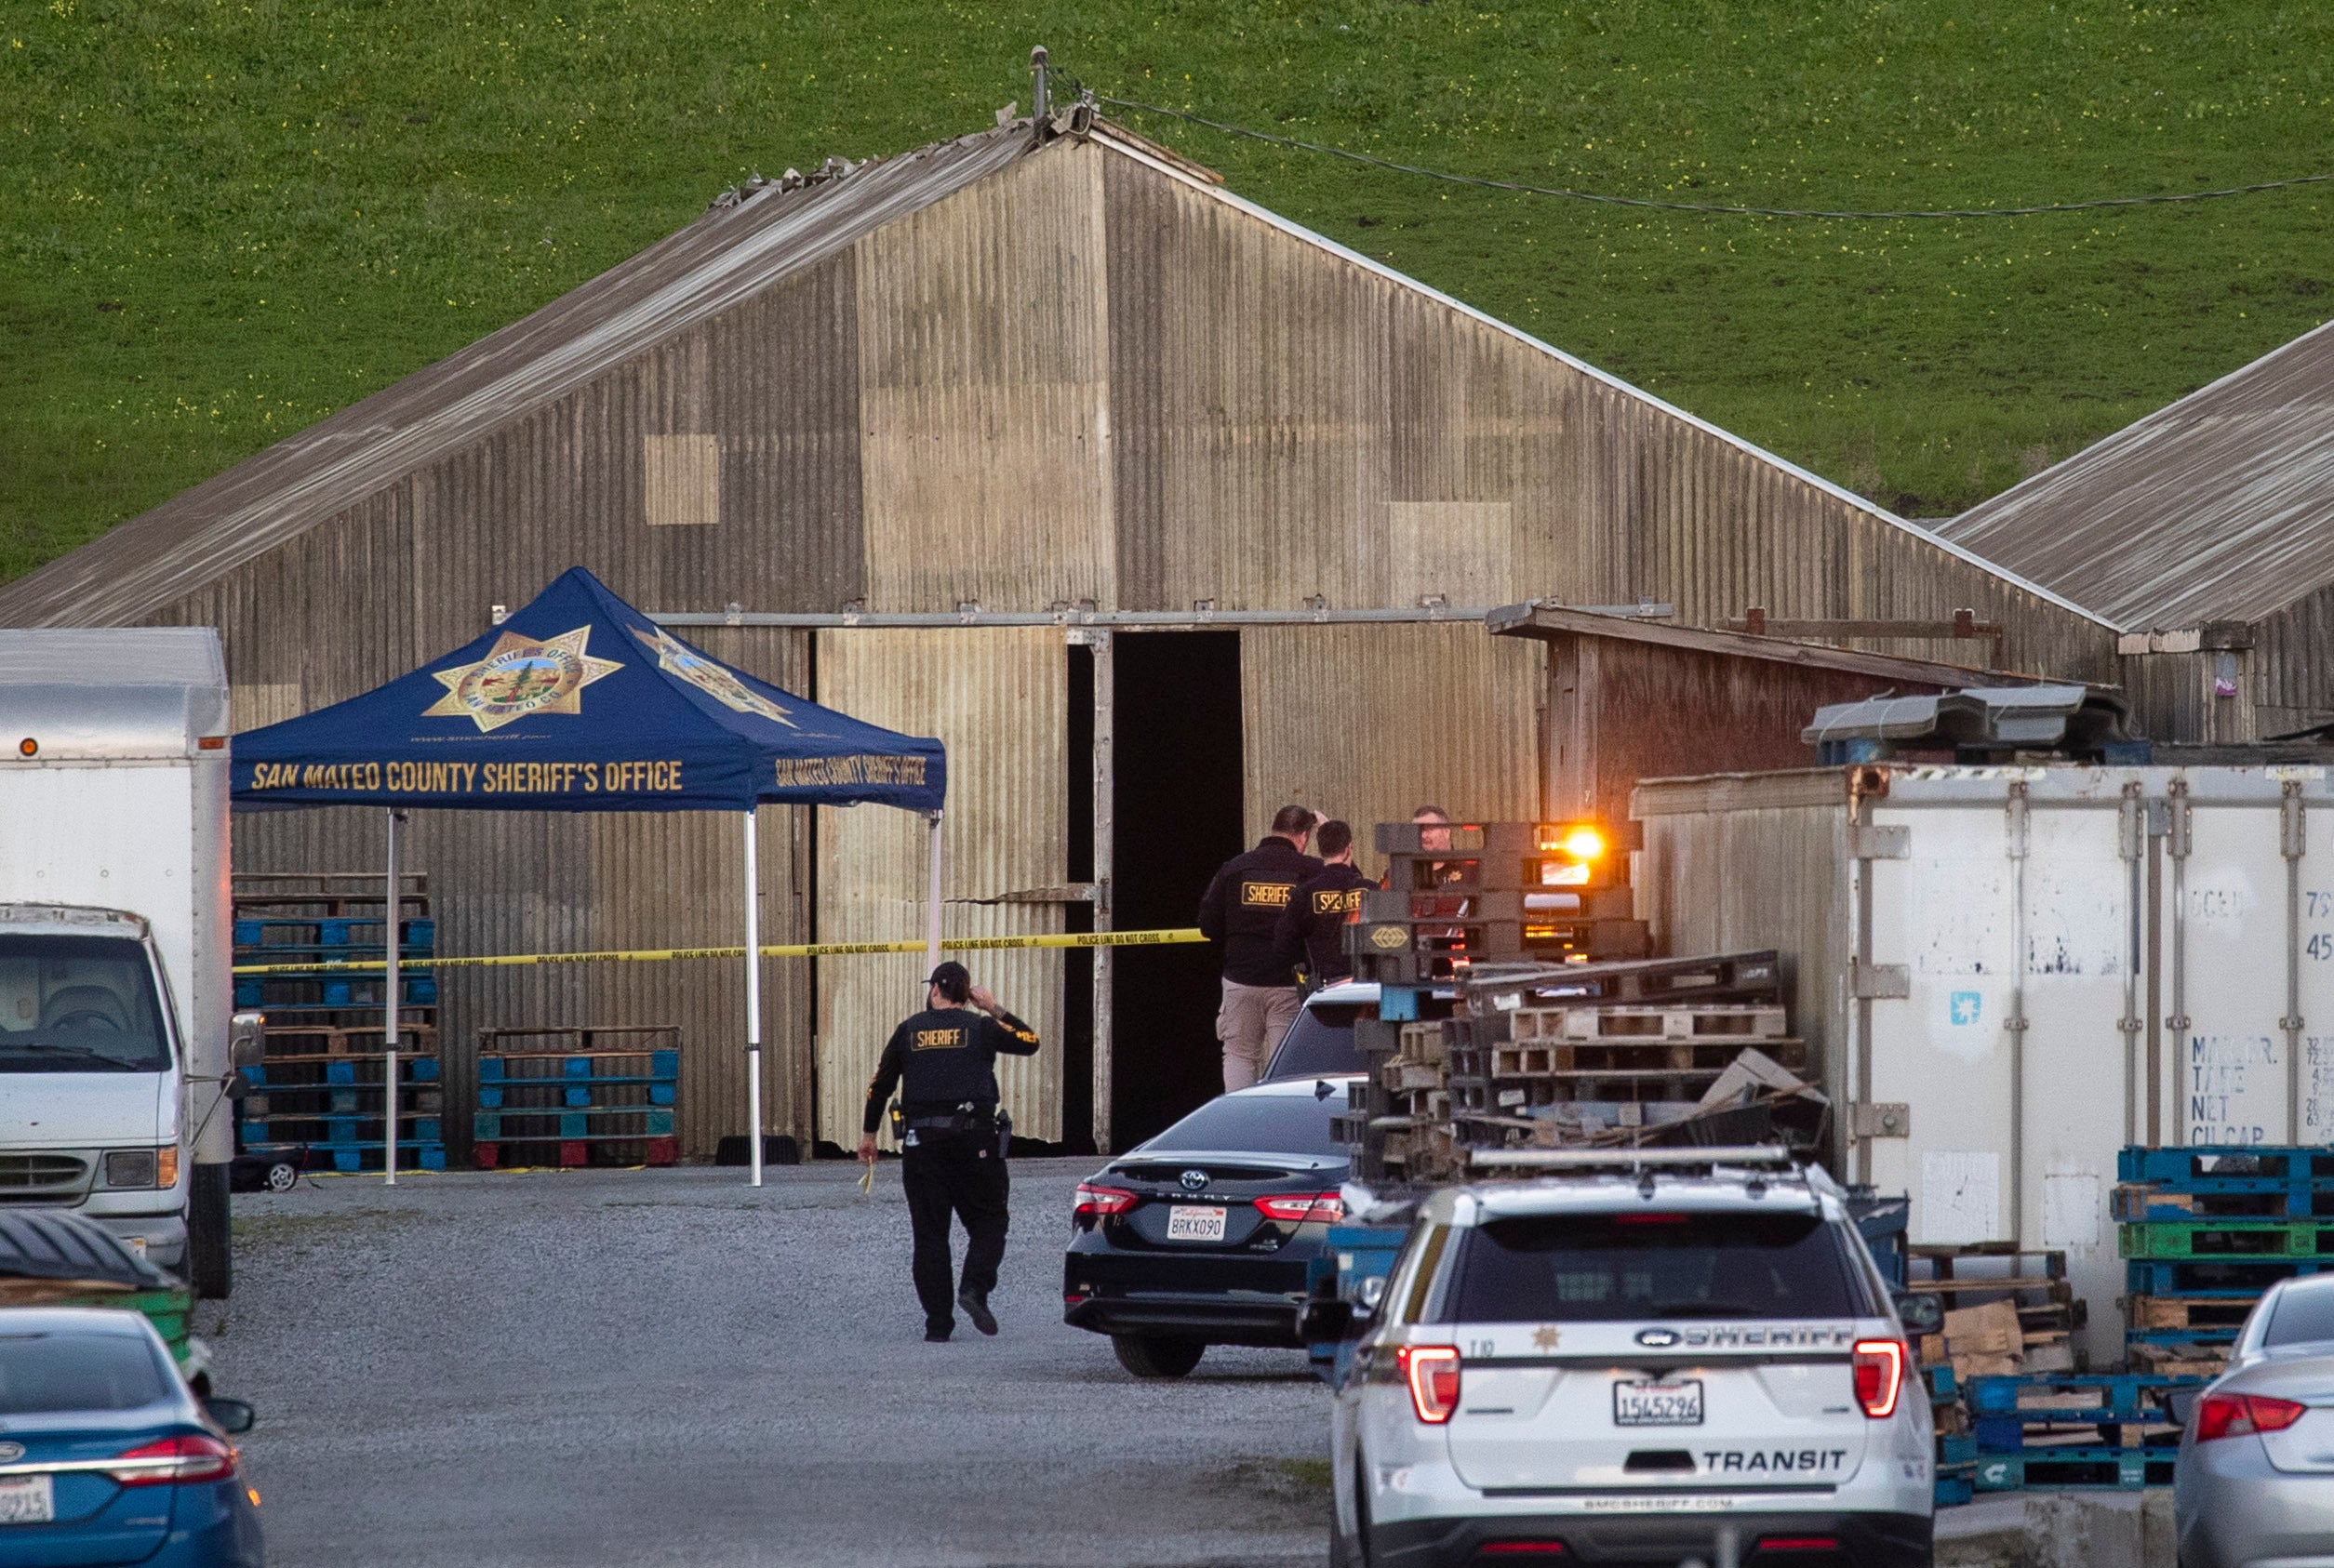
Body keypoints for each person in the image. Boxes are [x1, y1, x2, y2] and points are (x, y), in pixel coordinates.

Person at [858, 962, 1041, 1343]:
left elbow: (880, 1085)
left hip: (922, 1147)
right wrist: (993, 1008)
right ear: (967, 995)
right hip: (976, 1144)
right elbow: (1030, 1042)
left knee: (930, 1235)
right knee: (990, 1223)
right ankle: (974, 1289)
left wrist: (869, 1134)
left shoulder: (909, 1030)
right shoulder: (981, 1027)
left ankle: (938, 1325)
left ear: (935, 991)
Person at [1196, 804, 1323, 1091]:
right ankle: (1280, 1128)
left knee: (1240, 1056)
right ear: (1302, 837)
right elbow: (1347, 886)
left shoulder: (1235, 868)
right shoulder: (1311, 870)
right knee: (1284, 1063)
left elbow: (1207, 924)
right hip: (1287, 984)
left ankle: (1240, 1127)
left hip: (1241, 980)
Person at [1276, 819, 1374, 989]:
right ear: (1348, 849)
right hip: (1366, 984)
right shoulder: (1371, 889)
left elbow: (1282, 944)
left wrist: (1307, 960)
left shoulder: (1304, 893)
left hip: (1325, 986)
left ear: (1320, 851)